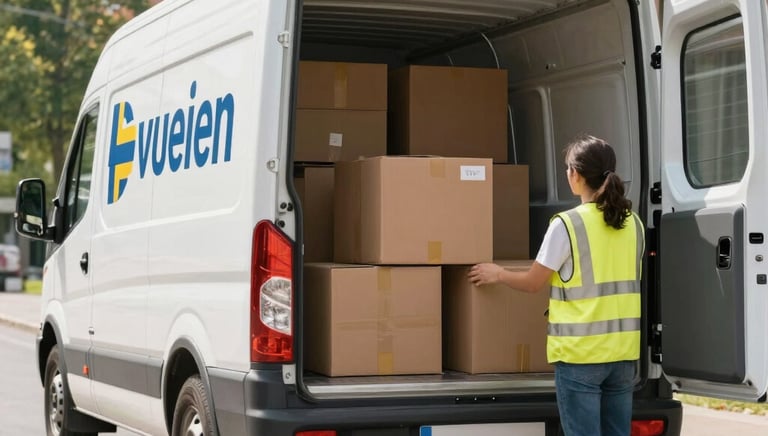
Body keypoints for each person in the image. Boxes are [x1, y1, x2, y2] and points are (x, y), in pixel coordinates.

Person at [468, 134, 644, 436]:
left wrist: (498, 274)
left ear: (575, 175)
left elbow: (533, 282)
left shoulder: (568, 224)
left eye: (567, 169)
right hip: (623, 356)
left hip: (581, 358)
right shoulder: (633, 223)